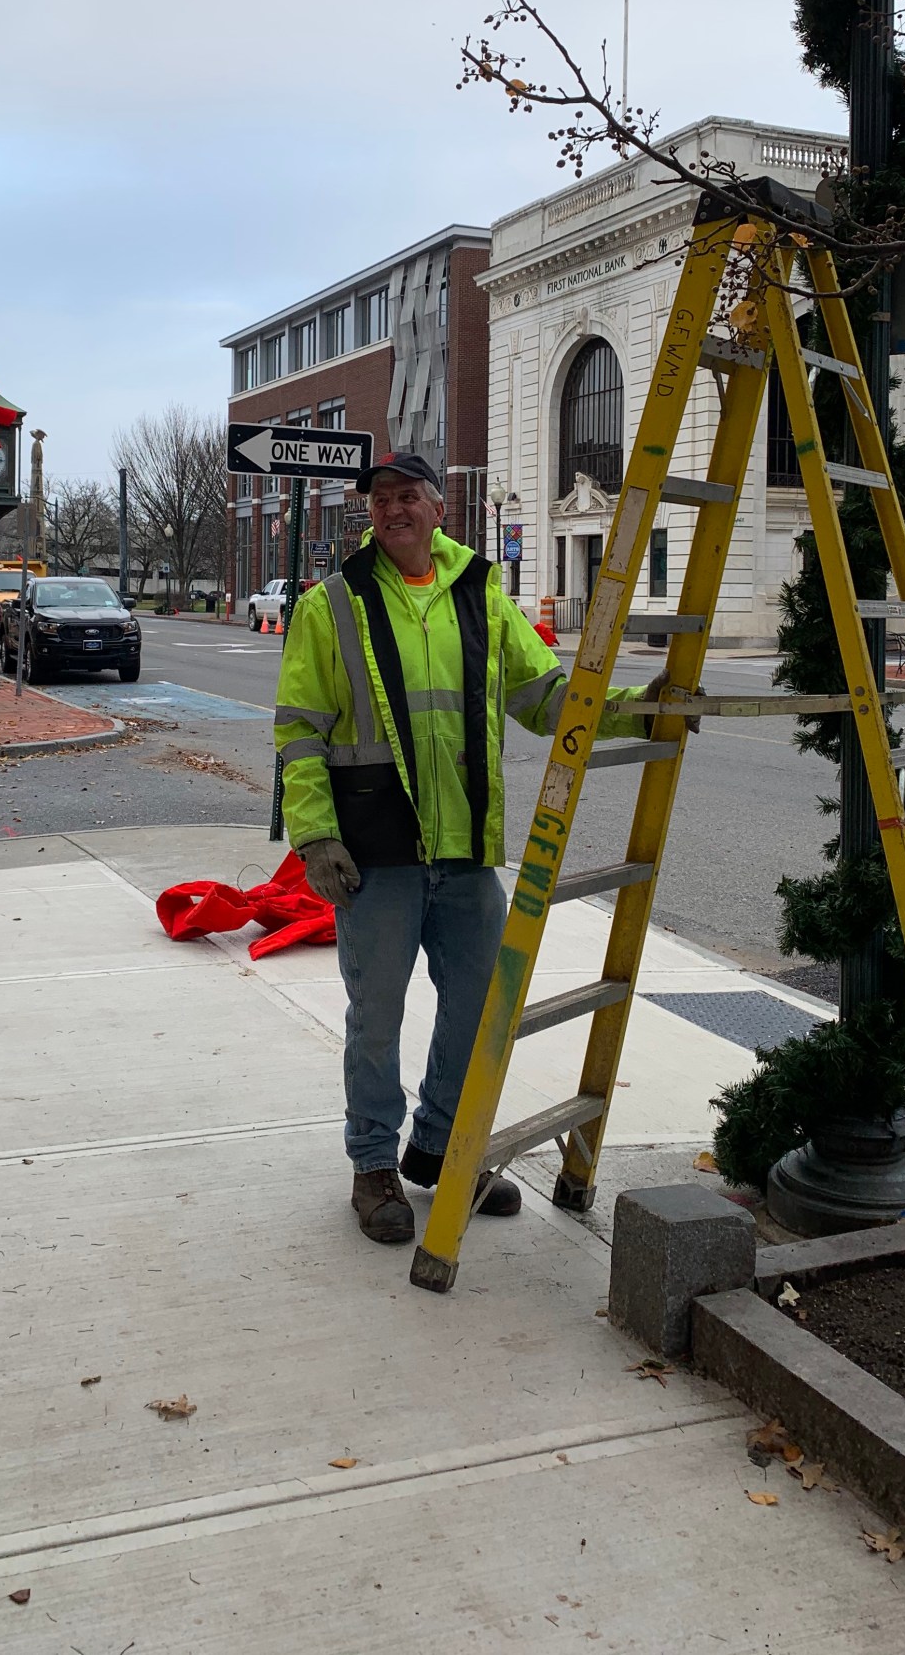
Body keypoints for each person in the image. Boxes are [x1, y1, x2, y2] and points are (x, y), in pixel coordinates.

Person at [274, 450, 664, 1245]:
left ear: (438, 507)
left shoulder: (482, 590)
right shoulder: (334, 604)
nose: (393, 510)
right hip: (376, 851)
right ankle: (373, 1165)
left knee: (482, 1010)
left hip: (465, 851)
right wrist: (314, 836)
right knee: (375, 1018)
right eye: (380, 500)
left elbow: (546, 696)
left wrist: (633, 709)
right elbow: (300, 732)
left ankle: (443, 1147)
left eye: (407, 496)